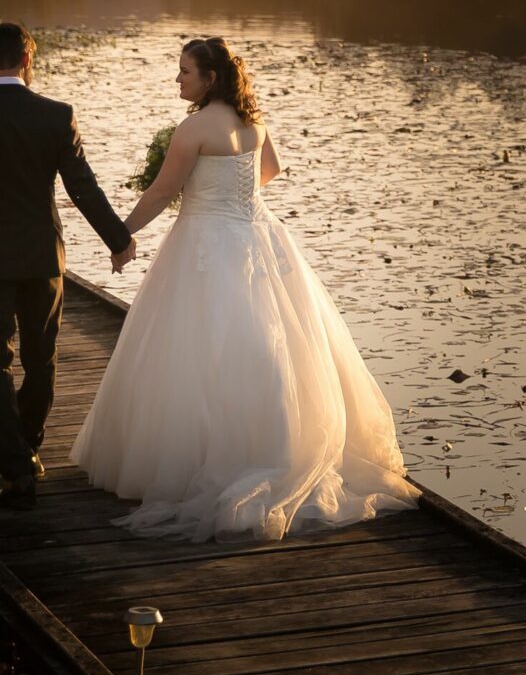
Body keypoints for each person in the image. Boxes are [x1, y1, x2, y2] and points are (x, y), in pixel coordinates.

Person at [71, 35, 419, 541]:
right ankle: (272, 449)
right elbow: (270, 172)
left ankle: (196, 462)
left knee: (197, 350)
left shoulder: (192, 129)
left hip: (205, 243)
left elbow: (163, 190)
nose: (178, 79)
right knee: (266, 348)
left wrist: (121, 235)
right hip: (257, 235)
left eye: (185, 72)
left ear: (209, 78)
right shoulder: (254, 121)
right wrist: (230, 196)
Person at [0, 21, 136, 507]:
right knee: (41, 361)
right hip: (43, 259)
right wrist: (118, 238)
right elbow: (81, 186)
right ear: (27, 60)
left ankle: (17, 468)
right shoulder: (56, 115)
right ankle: (28, 445)